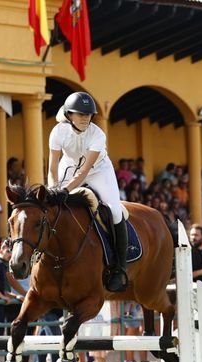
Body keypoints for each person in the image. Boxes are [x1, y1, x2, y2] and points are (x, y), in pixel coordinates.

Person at [47, 91, 128, 292]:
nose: (86, 118)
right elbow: (52, 167)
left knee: (115, 212)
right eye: (81, 114)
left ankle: (120, 268)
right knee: (49, 204)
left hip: (98, 170)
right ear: (69, 115)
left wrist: (65, 190)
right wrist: (54, 188)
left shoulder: (98, 134)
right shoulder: (57, 132)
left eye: (89, 114)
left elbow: (84, 171)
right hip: (69, 166)